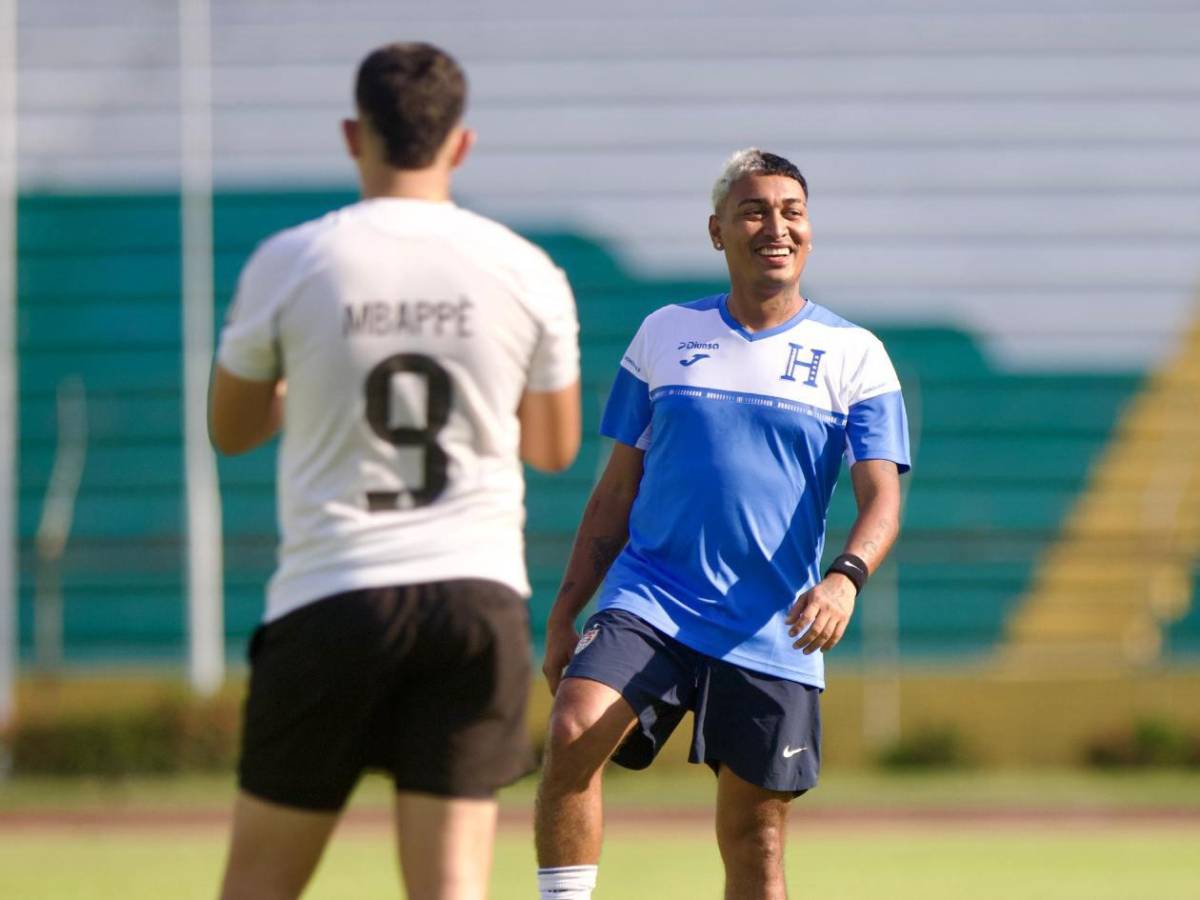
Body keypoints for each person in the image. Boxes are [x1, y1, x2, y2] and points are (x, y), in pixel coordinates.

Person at [209, 42, 581, 900]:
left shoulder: (291, 261)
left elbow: (230, 431)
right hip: (475, 599)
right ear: (462, 143)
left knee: (257, 887)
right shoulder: (525, 269)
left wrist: (297, 390)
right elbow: (553, 449)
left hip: (331, 595)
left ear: (354, 134)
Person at [533, 149, 910, 900]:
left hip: (773, 624)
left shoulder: (856, 355)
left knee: (755, 842)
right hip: (653, 600)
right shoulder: (664, 334)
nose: (776, 226)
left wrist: (846, 578)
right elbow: (613, 494)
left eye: (791, 211)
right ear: (717, 230)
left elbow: (882, 502)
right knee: (574, 732)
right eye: (754, 210)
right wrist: (565, 610)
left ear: (808, 230)